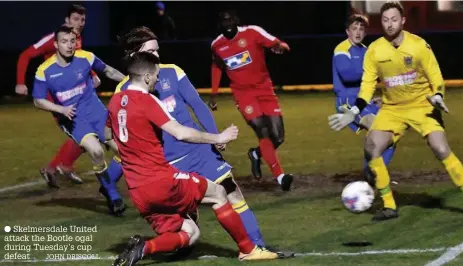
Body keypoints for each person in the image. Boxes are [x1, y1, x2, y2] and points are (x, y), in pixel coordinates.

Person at [114, 27, 294, 257]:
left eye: (158, 50)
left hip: (198, 152)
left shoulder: (173, 72)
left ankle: (256, 246)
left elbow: (197, 105)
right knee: (188, 221)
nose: (158, 56)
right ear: (135, 55)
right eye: (151, 51)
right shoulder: (126, 92)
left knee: (231, 190)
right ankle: (179, 245)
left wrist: (214, 136)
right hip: (166, 164)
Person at [328, 1, 463, 221]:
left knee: (440, 148)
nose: (390, 24)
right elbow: (367, 85)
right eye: (385, 20)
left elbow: (436, 77)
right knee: (372, 146)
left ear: (403, 21)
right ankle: (389, 205)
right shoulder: (375, 50)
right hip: (392, 109)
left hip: (422, 105)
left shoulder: (418, 45)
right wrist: (354, 110)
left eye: (394, 19)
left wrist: (439, 96)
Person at [32, 25, 127, 216]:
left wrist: (129, 82)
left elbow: (108, 71)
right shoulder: (45, 70)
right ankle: (112, 194)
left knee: (127, 151)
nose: (69, 45)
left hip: (97, 112)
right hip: (73, 119)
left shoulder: (86, 57)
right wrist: (60, 109)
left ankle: (107, 183)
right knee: (96, 151)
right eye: (64, 42)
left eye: (72, 41)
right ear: (56, 44)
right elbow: (37, 100)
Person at [15, 4, 98, 186]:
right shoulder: (52, 38)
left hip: (73, 94)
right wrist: (20, 82)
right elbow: (25, 55)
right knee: (86, 130)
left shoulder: (76, 38)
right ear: (67, 20)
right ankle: (62, 166)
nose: (80, 23)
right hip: (57, 97)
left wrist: (92, 75)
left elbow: (78, 61)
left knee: (90, 129)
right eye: (76, 19)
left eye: (83, 19)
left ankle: (57, 168)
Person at [210, 10, 293, 191]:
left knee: (278, 136)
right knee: (261, 128)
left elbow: (274, 42)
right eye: (224, 23)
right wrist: (214, 94)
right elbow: (217, 66)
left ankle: (256, 153)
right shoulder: (217, 45)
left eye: (230, 22)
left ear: (236, 22)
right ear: (220, 26)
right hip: (243, 94)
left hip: (264, 89)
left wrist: (282, 46)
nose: (228, 26)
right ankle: (280, 176)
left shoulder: (252, 32)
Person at [332, 13, 396, 187]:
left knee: (392, 135)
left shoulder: (366, 50)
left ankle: (373, 173)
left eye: (361, 29)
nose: (358, 32)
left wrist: (379, 96)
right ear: (347, 31)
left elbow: (373, 79)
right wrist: (372, 70)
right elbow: (348, 74)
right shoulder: (341, 50)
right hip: (348, 102)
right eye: (354, 29)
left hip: (364, 100)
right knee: (378, 129)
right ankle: (372, 174)